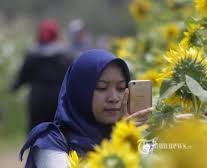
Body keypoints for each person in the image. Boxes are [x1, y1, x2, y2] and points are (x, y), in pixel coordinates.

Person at [19, 49, 152, 168]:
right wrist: (119, 143)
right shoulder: (51, 140)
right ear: (80, 91)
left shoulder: (132, 134)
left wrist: (138, 138)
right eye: (101, 87)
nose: (114, 97)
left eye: (121, 88)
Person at [11, 19, 73, 132]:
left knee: (36, 132)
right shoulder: (65, 57)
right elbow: (71, 78)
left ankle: (36, 148)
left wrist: (13, 88)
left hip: (37, 101)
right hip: (57, 100)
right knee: (57, 133)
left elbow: (23, 77)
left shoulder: (32, 56)